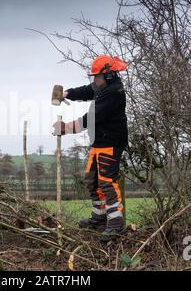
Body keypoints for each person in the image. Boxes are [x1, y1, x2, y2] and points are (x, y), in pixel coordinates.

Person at [53, 55, 128, 241]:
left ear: (109, 75)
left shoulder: (114, 93)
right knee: (92, 180)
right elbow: (87, 91)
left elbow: (91, 118)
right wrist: (67, 94)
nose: (94, 80)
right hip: (100, 142)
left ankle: (116, 224)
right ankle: (99, 218)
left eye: (97, 77)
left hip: (111, 143)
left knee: (107, 182)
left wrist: (66, 128)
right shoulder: (103, 86)